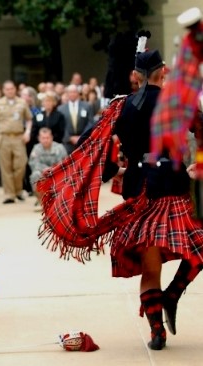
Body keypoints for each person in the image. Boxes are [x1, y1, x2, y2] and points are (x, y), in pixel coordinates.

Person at [37, 42, 203, 352]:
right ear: (163, 72)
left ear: (136, 76)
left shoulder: (120, 106)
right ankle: (172, 295)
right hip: (169, 188)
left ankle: (158, 333)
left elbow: (91, 142)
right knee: (198, 248)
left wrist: (102, 169)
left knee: (151, 267)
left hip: (139, 189)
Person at [0, 80, 33, 203]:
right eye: (7, 89)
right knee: (5, 167)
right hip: (3, 137)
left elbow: (29, 119)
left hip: (18, 137)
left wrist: (27, 132)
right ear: (3, 90)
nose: (9, 91)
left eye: (11, 89)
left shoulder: (22, 102)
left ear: (15, 89)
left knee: (20, 165)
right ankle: (9, 194)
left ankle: (18, 190)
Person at [28, 127, 66, 208]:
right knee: (35, 175)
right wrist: (44, 170)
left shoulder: (59, 148)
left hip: (57, 173)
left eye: (47, 138)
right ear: (39, 138)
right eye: (43, 138)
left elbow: (65, 163)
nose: (45, 140)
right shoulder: (36, 149)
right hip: (42, 174)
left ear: (51, 137)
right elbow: (33, 163)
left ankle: (60, 201)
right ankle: (41, 201)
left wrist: (52, 170)